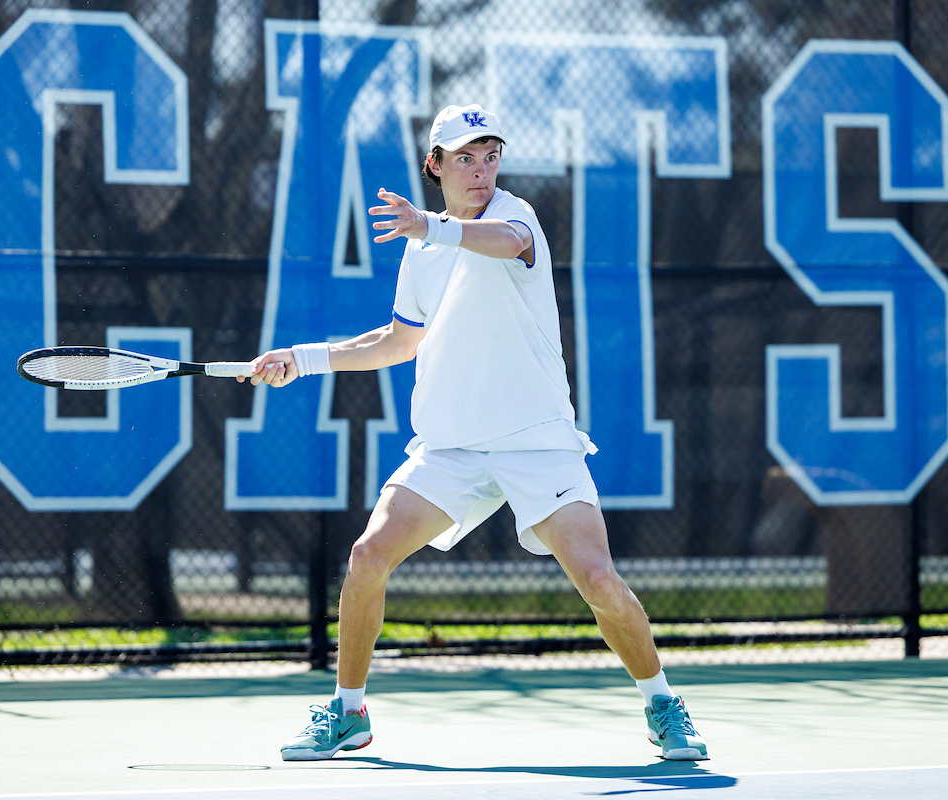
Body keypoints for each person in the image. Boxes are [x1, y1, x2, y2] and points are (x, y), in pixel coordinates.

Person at [240, 104, 708, 763]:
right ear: (435, 165)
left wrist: (431, 225)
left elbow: (504, 244)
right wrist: (304, 357)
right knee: (368, 558)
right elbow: (398, 341)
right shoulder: (420, 250)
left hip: (538, 441)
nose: (481, 169)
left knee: (600, 581)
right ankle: (348, 713)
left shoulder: (516, 218)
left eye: (489, 155)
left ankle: (664, 704)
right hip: (451, 447)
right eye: (464, 157)